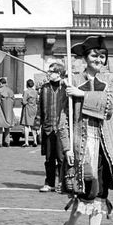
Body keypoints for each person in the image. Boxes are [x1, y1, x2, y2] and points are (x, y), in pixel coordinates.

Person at [60, 35, 113, 225]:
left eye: (102, 56)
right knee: (84, 193)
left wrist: (83, 95)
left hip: (106, 146)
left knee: (101, 193)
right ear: (85, 58)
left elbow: (110, 107)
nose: (98, 60)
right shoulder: (73, 82)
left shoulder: (110, 83)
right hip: (82, 144)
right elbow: (64, 120)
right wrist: (67, 148)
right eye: (94, 55)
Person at [36, 63, 68, 192]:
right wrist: (38, 125)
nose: (49, 73)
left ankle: (62, 183)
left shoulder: (66, 87)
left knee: (61, 158)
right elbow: (40, 108)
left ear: (59, 73)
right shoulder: (44, 88)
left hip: (62, 129)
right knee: (49, 158)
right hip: (48, 127)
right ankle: (49, 183)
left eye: (51, 71)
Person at [0, 77, 14, 146]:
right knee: (7, 127)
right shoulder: (11, 91)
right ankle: (7, 141)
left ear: (0, 83)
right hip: (9, 111)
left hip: (0, 110)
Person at [20, 79, 38, 147]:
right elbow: (37, 100)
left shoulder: (26, 92)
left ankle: (26, 142)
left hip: (27, 109)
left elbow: (24, 101)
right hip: (34, 109)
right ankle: (35, 141)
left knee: (26, 126)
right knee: (33, 126)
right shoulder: (35, 92)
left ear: (27, 84)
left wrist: (23, 102)